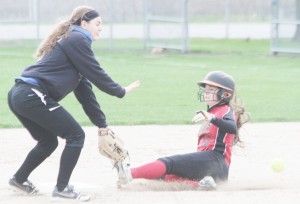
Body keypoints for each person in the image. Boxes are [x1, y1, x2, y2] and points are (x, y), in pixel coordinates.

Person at [7, 5, 140, 201]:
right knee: (76, 135)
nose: (101, 27)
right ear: (84, 24)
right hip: (32, 94)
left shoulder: (74, 49)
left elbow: (86, 94)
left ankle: (19, 179)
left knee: (48, 141)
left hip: (21, 95)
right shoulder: (78, 38)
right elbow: (96, 71)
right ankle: (62, 188)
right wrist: (119, 90)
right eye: (97, 23)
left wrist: (102, 125)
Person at [115, 71, 249, 190]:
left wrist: (212, 118)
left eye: (211, 89)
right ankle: (203, 184)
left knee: (168, 163)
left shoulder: (225, 110)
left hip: (215, 162)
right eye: (206, 89)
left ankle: (129, 173)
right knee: (163, 175)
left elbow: (231, 128)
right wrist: (211, 116)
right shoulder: (214, 112)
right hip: (210, 167)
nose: (206, 92)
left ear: (225, 94)